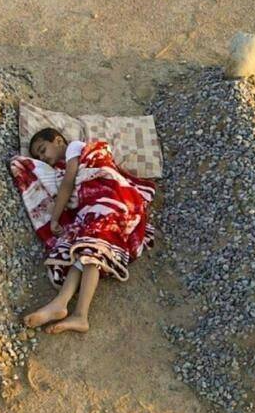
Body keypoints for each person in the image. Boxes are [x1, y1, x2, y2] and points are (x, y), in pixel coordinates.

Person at [11, 127, 155, 334]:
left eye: (43, 150)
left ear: (58, 141)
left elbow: (68, 183)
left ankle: (79, 314)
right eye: (38, 156)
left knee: (92, 247)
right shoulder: (61, 165)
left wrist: (55, 218)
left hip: (113, 198)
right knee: (86, 249)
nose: (42, 158)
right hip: (100, 205)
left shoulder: (75, 148)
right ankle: (61, 303)